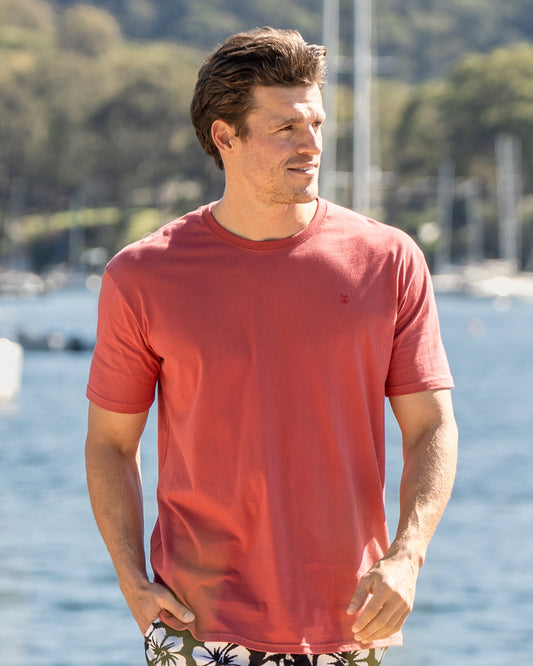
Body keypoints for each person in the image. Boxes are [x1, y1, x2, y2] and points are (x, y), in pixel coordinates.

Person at [85, 27, 458, 666]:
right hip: (194, 624)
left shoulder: (387, 260)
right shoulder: (142, 275)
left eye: (314, 123)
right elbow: (111, 443)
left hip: (350, 620)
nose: (311, 144)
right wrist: (132, 582)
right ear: (224, 137)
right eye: (285, 128)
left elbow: (431, 427)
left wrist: (407, 556)